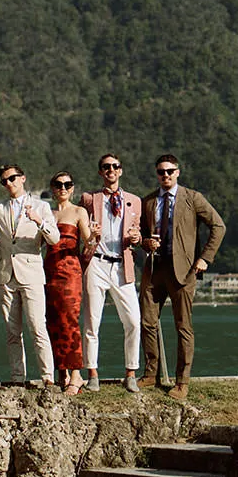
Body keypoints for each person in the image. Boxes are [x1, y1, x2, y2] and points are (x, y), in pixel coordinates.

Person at [139, 153, 226, 401]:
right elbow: (143, 236)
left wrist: (205, 258)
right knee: (147, 322)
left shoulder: (192, 198)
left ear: (178, 172)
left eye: (169, 171)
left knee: (183, 327)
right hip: (154, 269)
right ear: (156, 174)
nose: (165, 175)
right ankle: (150, 373)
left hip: (184, 271)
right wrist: (146, 243)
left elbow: (218, 226)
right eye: (160, 172)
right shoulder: (148, 201)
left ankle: (182, 382)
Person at [80, 153, 144, 393]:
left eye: (115, 166)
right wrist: (90, 236)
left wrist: (136, 238)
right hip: (96, 263)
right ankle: (92, 374)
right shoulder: (89, 199)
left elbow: (136, 232)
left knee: (133, 322)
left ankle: (130, 373)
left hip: (122, 265)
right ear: (100, 172)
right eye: (106, 167)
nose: (110, 170)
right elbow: (83, 231)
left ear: (121, 171)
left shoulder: (134, 201)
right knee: (91, 322)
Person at [0, 163, 60, 387]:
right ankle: (17, 379)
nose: (8, 183)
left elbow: (55, 239)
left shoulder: (41, 207)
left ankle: (48, 378)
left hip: (31, 273)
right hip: (5, 275)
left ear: (23, 178)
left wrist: (39, 221)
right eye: (4, 180)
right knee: (12, 332)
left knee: (37, 326)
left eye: (12, 178)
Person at [45, 171, 93, 395]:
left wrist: (95, 237)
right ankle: (61, 373)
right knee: (53, 322)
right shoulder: (48, 213)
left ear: (72, 188)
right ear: (53, 188)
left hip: (70, 271)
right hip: (48, 271)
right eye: (58, 184)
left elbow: (88, 243)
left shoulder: (78, 212)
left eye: (67, 184)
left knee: (70, 321)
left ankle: (76, 374)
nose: (62, 188)